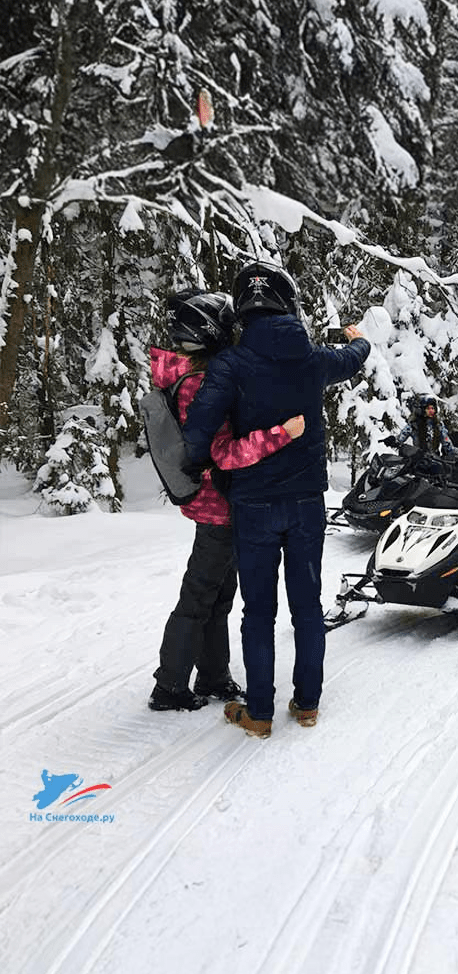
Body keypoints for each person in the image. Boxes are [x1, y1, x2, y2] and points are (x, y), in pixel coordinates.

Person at [182, 263, 371, 738]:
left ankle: (260, 714)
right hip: (307, 502)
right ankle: (307, 705)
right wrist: (360, 339)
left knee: (258, 611)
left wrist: (211, 460)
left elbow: (197, 435)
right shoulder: (312, 359)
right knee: (307, 606)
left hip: (254, 506)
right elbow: (351, 359)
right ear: (288, 303)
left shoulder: (231, 363)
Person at [149, 289, 304, 712]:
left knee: (216, 594)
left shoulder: (187, 373)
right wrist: (280, 435)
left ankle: (214, 677)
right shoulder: (199, 384)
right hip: (218, 504)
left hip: (215, 500)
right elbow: (225, 453)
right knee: (199, 596)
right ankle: (170, 686)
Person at [398, 392, 457, 459]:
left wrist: (456, 453)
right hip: (418, 459)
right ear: (421, 409)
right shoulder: (414, 425)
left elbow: (446, 442)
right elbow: (401, 437)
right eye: (428, 409)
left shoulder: (438, 425)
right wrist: (393, 441)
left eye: (433, 408)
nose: (431, 411)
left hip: (435, 460)